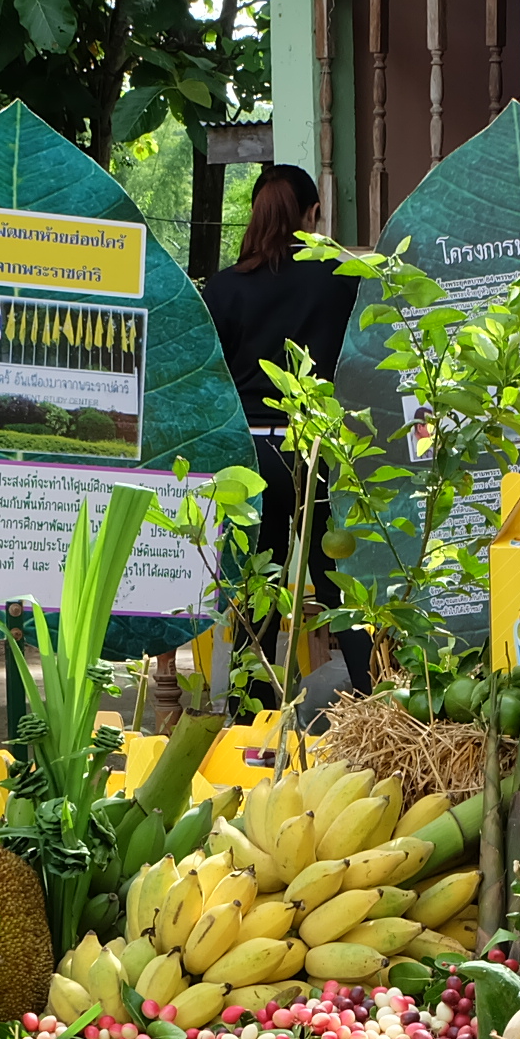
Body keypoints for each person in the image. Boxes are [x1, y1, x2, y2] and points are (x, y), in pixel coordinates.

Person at [201, 163, 371, 693]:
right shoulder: (341, 279)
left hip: (250, 454)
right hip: (317, 445)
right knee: (339, 580)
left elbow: (210, 380)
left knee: (259, 585)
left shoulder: (224, 289)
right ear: (312, 214)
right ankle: (374, 700)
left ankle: (246, 712)